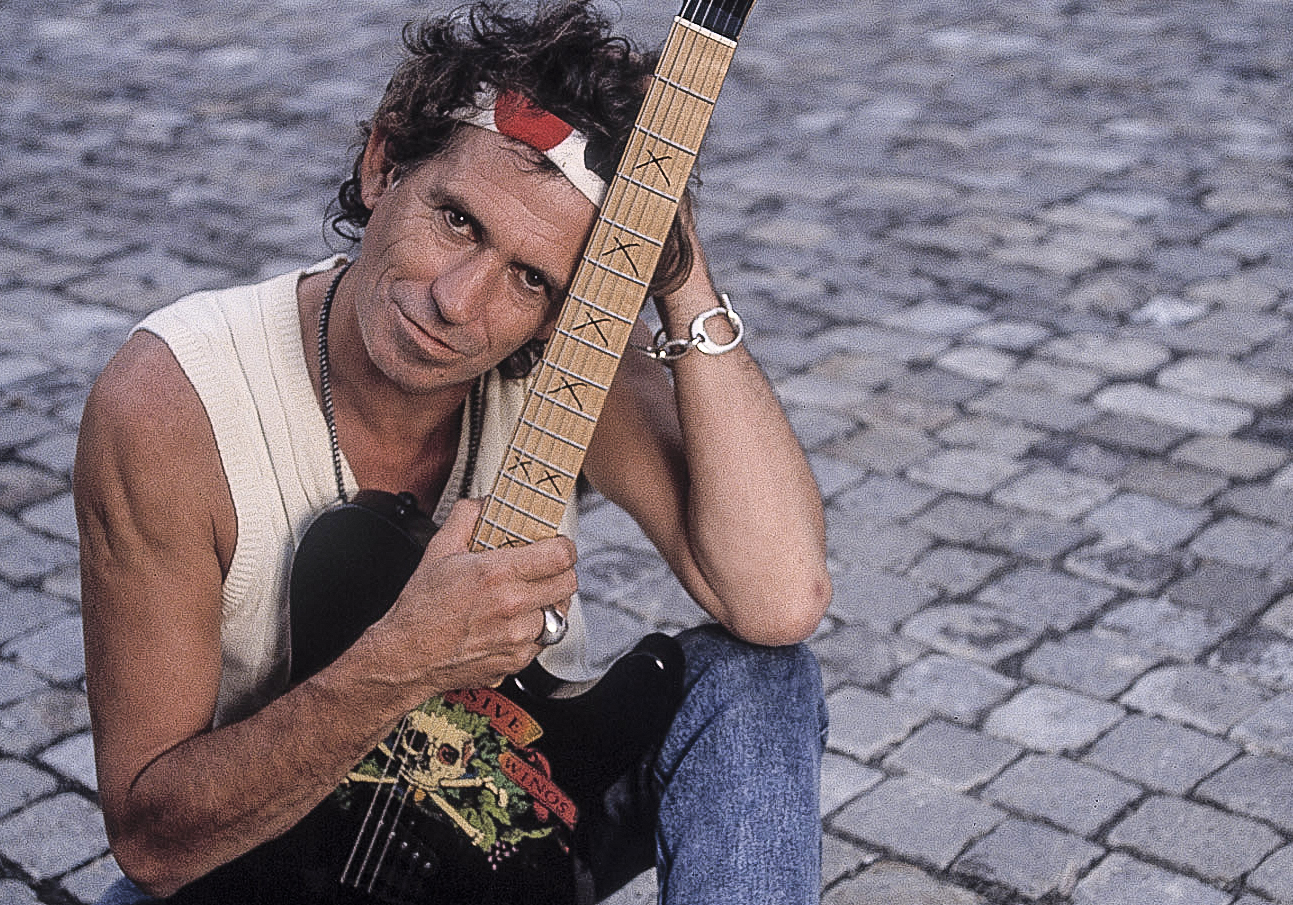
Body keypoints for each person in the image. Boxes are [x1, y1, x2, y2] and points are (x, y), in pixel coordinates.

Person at [74, 2, 831, 903]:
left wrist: (676, 268)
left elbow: (781, 597)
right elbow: (153, 843)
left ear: (561, 311)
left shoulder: (566, 368)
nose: (459, 302)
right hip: (267, 862)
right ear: (382, 164)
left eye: (530, 277)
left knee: (761, 681)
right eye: (458, 221)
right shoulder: (171, 403)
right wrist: (407, 655)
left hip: (512, 822)